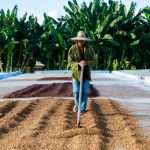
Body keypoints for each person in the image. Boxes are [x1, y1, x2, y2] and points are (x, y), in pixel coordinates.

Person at [68, 31, 96, 114]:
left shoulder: (90, 49)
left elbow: (94, 61)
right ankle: (77, 105)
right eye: (79, 40)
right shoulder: (72, 49)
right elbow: (70, 62)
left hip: (86, 74)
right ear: (77, 40)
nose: (81, 42)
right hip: (76, 74)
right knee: (76, 91)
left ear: (85, 40)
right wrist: (78, 64)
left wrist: (87, 63)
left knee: (86, 91)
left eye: (82, 40)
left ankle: (82, 109)